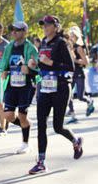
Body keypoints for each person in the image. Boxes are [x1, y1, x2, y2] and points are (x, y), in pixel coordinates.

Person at [30, 15, 83, 174]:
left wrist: (50, 63)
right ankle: (41, 161)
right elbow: (42, 65)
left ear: (56, 26)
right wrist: (35, 65)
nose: (45, 27)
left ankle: (75, 141)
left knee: (58, 127)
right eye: (43, 25)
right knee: (41, 125)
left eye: (48, 25)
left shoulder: (62, 43)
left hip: (60, 88)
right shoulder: (44, 43)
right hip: (45, 88)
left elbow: (70, 67)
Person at [0, 20, 38, 155]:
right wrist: (3, 70)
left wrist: (30, 69)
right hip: (12, 84)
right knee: (8, 115)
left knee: (21, 115)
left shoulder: (30, 48)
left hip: (26, 85)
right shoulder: (9, 47)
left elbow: (37, 67)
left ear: (24, 32)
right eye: (12, 30)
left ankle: (25, 143)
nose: (13, 32)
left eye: (17, 30)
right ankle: (26, 124)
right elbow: (4, 63)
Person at [66, 25, 94, 121]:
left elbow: (86, 62)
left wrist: (75, 61)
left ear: (77, 36)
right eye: (70, 35)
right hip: (70, 73)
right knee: (68, 94)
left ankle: (89, 101)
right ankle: (73, 114)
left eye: (73, 35)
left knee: (80, 96)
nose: (71, 37)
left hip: (79, 73)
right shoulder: (69, 47)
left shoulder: (79, 48)